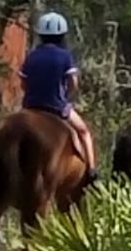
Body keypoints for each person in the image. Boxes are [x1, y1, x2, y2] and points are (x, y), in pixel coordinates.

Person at [20, 10, 98, 183]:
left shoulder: (31, 56)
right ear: (62, 35)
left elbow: (23, 84)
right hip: (56, 106)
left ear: (40, 35)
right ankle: (92, 171)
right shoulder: (65, 57)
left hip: (31, 106)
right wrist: (67, 95)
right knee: (84, 131)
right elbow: (73, 82)